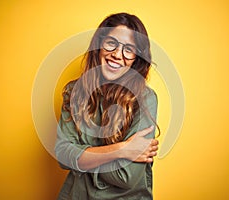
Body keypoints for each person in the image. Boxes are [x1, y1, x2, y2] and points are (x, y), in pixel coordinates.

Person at [55, 12, 160, 200]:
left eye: (129, 49)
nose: (117, 55)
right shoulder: (74, 91)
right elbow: (63, 155)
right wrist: (122, 150)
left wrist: (81, 156)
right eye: (111, 43)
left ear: (136, 57)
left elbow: (126, 177)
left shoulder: (145, 98)